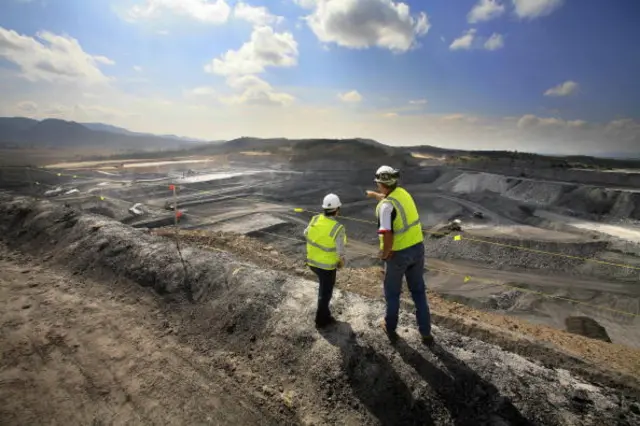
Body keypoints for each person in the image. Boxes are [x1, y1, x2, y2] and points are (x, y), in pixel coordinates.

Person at [366, 166, 433, 345]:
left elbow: (387, 233)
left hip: (398, 254)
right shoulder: (403, 193)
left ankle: (390, 327)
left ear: (381, 183)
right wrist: (374, 195)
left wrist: (385, 254)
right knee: (418, 291)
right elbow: (390, 199)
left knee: (393, 293)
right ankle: (426, 332)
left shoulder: (386, 207)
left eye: (378, 184)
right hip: (417, 249)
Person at [304, 193, 347, 328]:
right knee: (325, 292)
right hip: (326, 267)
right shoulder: (338, 228)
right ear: (337, 210)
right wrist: (341, 262)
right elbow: (340, 252)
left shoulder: (315, 219)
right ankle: (321, 320)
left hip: (312, 262)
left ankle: (324, 313)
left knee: (323, 288)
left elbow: (305, 233)